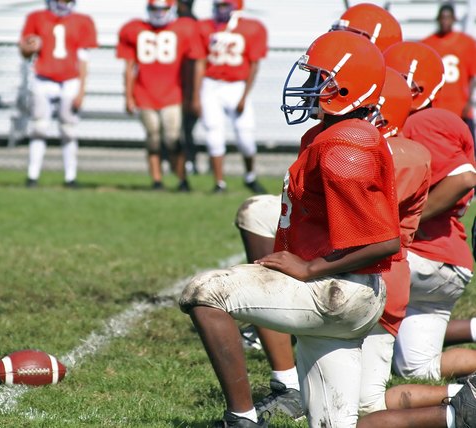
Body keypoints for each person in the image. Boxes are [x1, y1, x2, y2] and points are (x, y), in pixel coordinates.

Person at [180, 30, 400, 427]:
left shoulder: (344, 148)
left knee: (204, 293)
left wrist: (310, 268)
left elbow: (384, 240)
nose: (309, 88)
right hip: (347, 288)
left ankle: (240, 419)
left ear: (348, 85)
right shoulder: (333, 135)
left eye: (320, 79)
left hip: (336, 289)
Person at [386, 41, 476, 382]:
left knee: (343, 271)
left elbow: (463, 178)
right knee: (416, 369)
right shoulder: (426, 120)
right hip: (443, 262)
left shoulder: (423, 121)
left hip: (426, 256)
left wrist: (402, 222)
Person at [117, 0, 205, 191]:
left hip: (172, 93)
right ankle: (157, 180)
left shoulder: (185, 27)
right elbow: (129, 66)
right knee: (153, 137)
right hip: (144, 93)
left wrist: (193, 95)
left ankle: (182, 178)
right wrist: (128, 96)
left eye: (163, 9)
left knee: (173, 139)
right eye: (154, 9)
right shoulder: (134, 28)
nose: (158, 13)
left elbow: (195, 61)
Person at [18, 0, 97, 189]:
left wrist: (82, 90)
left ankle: (71, 176)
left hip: (70, 80)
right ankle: (32, 175)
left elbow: (84, 58)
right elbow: (24, 50)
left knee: (68, 130)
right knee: (38, 128)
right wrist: (28, 48)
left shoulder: (83, 20)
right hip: (43, 78)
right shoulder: (36, 17)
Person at [198, 0, 267, 194]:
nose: (220, 10)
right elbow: (200, 61)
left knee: (245, 136)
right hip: (211, 84)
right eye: (218, 6)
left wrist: (244, 95)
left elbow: (254, 64)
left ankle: (250, 176)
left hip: (237, 85)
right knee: (214, 134)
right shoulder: (205, 26)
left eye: (224, 5)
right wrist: (196, 94)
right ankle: (219, 183)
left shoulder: (252, 28)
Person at [421, 3, 476, 140]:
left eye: (448, 17)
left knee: (467, 147)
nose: (445, 21)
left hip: (460, 105)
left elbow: (473, 74)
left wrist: (468, 101)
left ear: (454, 19)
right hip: (439, 105)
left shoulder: (466, 43)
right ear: (438, 19)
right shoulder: (427, 43)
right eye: (442, 17)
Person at [177, 0, 200, 176]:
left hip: (189, 85)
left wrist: (192, 94)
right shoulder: (194, 24)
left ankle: (190, 162)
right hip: (183, 84)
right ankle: (189, 162)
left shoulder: (189, 25)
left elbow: (195, 62)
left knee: (186, 130)